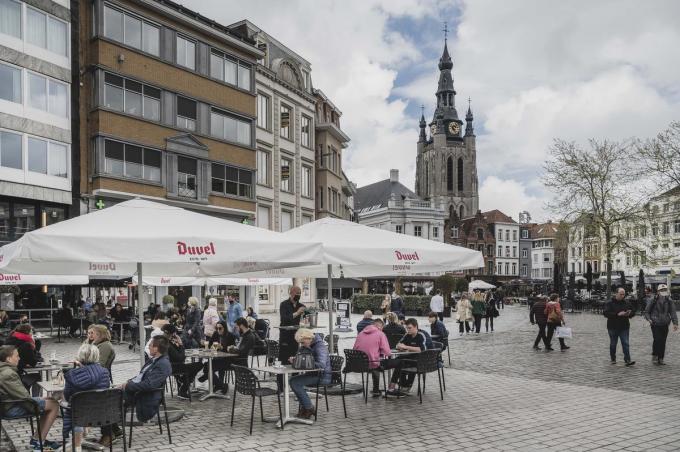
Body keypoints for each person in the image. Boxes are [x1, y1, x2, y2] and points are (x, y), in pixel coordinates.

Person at [99, 336, 172, 447]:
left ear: (156, 349)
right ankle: (115, 431)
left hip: (143, 395)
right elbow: (140, 376)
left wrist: (128, 385)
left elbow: (149, 385)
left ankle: (108, 435)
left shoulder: (163, 364)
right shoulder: (153, 360)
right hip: (135, 390)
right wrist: (127, 383)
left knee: (108, 402)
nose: (148, 347)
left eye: (151, 345)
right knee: (107, 397)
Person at [0, 345, 62, 451]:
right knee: (54, 405)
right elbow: (24, 397)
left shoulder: (4, 370)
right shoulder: (8, 374)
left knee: (50, 400)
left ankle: (36, 440)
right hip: (10, 408)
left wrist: (42, 401)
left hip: (10, 403)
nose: (19, 358)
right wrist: (37, 407)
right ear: (9, 359)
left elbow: (20, 395)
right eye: (17, 356)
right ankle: (39, 443)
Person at [62, 343, 110, 451]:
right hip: (100, 413)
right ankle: (82, 437)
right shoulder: (104, 372)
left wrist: (79, 368)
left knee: (73, 406)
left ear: (80, 357)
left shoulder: (72, 375)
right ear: (97, 355)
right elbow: (104, 389)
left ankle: (77, 446)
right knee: (83, 406)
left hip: (78, 414)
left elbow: (67, 395)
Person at [288, 328, 331, 419]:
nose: (301, 344)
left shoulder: (320, 346)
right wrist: (295, 360)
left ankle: (309, 408)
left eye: (302, 342)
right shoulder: (307, 345)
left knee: (295, 382)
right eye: (300, 343)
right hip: (312, 374)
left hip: (322, 376)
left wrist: (304, 362)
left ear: (308, 338)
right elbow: (300, 358)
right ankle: (305, 408)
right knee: (292, 380)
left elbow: (321, 365)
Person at [386, 318, 427, 395]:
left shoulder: (421, 335)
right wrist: (400, 346)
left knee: (399, 363)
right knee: (398, 361)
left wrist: (406, 347)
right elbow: (398, 344)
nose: (408, 330)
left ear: (416, 327)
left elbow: (421, 349)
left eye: (410, 328)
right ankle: (399, 386)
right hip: (408, 358)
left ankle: (397, 386)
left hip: (419, 360)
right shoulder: (407, 335)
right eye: (407, 328)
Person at [162, 324, 201, 400]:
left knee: (191, 367)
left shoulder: (162, 341)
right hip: (173, 367)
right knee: (199, 365)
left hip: (168, 366)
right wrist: (181, 344)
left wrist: (178, 345)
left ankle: (182, 381)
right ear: (173, 334)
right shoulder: (168, 344)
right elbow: (181, 358)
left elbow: (178, 356)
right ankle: (183, 389)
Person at [354, 318, 391, 397]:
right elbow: (387, 352)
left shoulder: (361, 333)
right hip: (371, 363)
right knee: (377, 364)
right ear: (380, 327)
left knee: (374, 361)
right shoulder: (380, 334)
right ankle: (376, 390)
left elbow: (354, 348)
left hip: (358, 363)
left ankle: (376, 390)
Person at [278, 286, 305, 390]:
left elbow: (306, 317)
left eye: (300, 293)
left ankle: (295, 387)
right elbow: (285, 319)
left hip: (296, 337)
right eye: (297, 292)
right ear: (291, 293)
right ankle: (281, 388)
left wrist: (306, 315)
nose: (298, 295)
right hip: (285, 337)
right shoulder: (284, 304)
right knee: (283, 362)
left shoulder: (301, 305)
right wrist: (297, 313)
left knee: (296, 362)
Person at [644, 284, 678, 365]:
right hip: (655, 323)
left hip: (665, 323)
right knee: (657, 339)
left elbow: (673, 312)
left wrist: (675, 323)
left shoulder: (669, 300)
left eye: (665, 290)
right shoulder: (653, 300)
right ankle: (656, 354)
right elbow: (646, 312)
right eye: (662, 290)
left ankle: (661, 358)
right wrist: (649, 319)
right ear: (658, 291)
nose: (664, 291)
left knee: (663, 341)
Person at [198, 321, 236, 392]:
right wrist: (204, 344)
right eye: (217, 328)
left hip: (228, 360)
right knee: (206, 366)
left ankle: (216, 383)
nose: (218, 330)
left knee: (208, 368)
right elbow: (209, 345)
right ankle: (221, 385)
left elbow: (232, 350)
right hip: (218, 358)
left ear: (224, 328)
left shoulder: (230, 336)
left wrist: (223, 348)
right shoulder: (216, 333)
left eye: (220, 328)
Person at [4, 324, 42, 395]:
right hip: (17, 376)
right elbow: (33, 362)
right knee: (38, 376)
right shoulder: (26, 344)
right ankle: (35, 398)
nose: (32, 334)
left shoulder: (9, 339)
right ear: (27, 332)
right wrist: (33, 345)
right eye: (31, 332)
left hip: (7, 373)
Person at [603, 287, 636, 366]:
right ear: (616, 294)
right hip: (612, 326)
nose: (622, 296)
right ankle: (613, 358)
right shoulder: (609, 303)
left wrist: (629, 314)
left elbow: (633, 311)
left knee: (625, 343)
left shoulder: (626, 302)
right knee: (613, 343)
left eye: (623, 294)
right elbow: (605, 313)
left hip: (624, 326)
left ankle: (627, 360)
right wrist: (617, 314)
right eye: (620, 294)